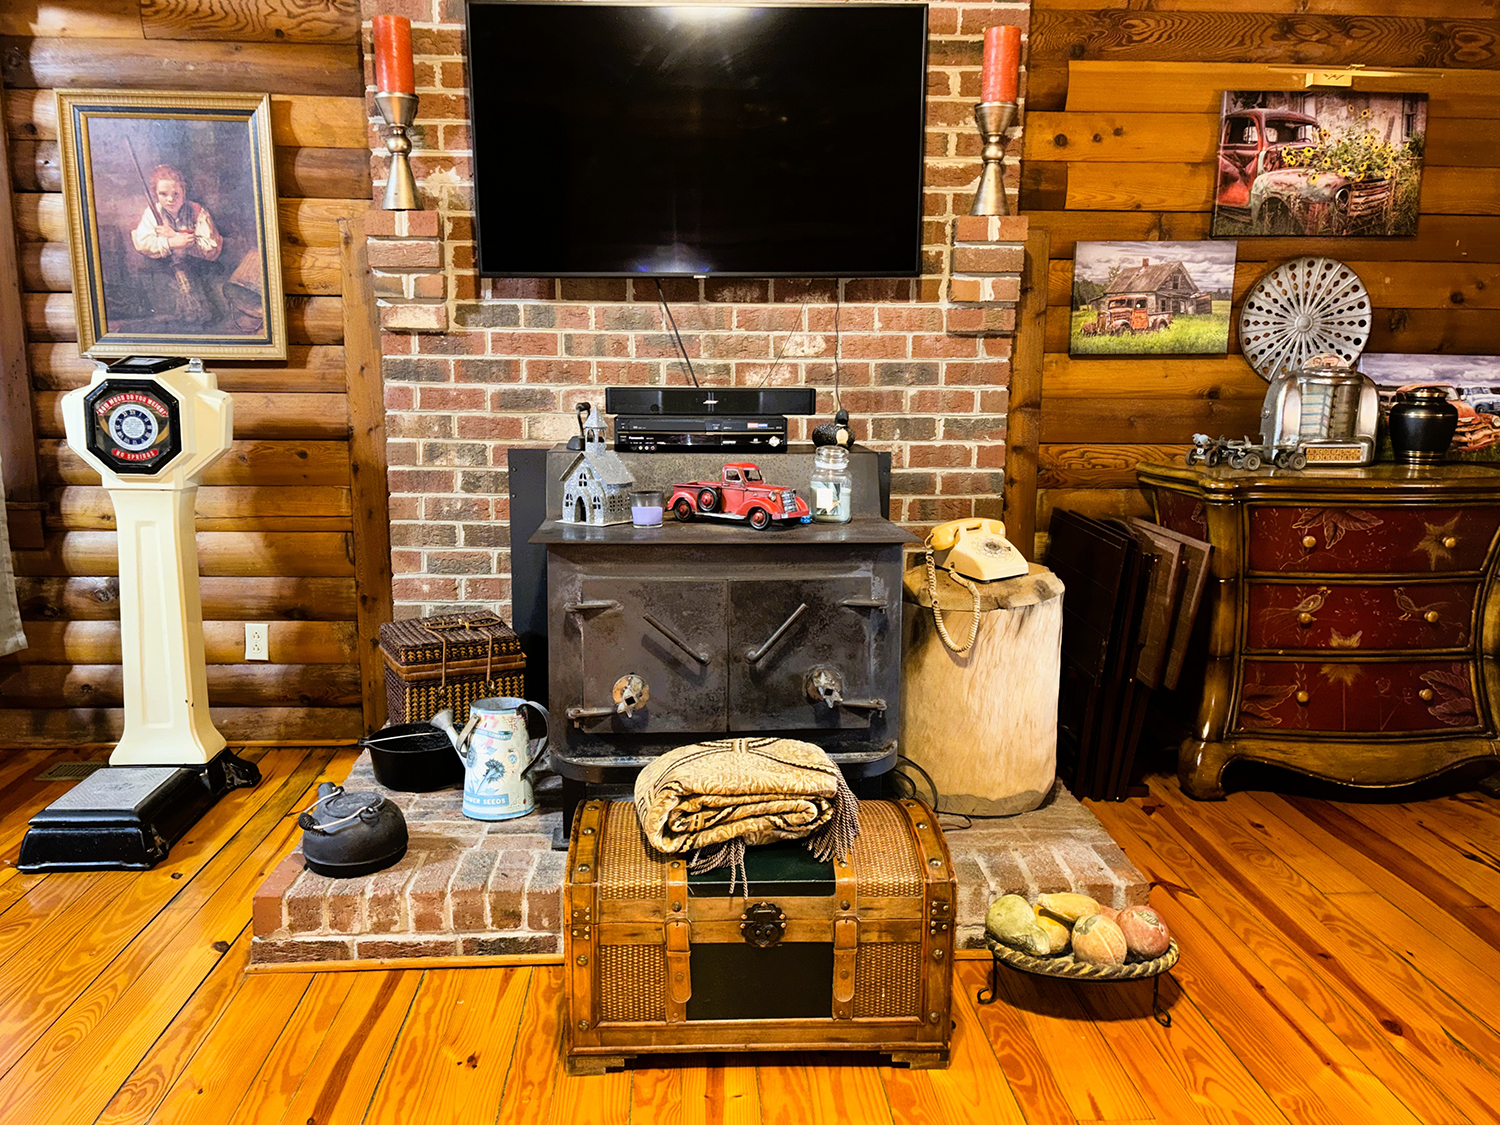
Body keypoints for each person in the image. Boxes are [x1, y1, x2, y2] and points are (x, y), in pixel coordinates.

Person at [129, 164, 225, 327]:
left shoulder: (197, 211)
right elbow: (143, 243)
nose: (170, 199)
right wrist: (171, 243)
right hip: (165, 271)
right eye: (163, 194)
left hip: (198, 268)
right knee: (170, 313)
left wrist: (177, 236)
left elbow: (211, 247)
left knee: (208, 310)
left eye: (176, 194)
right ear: (155, 194)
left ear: (184, 192)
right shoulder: (152, 213)